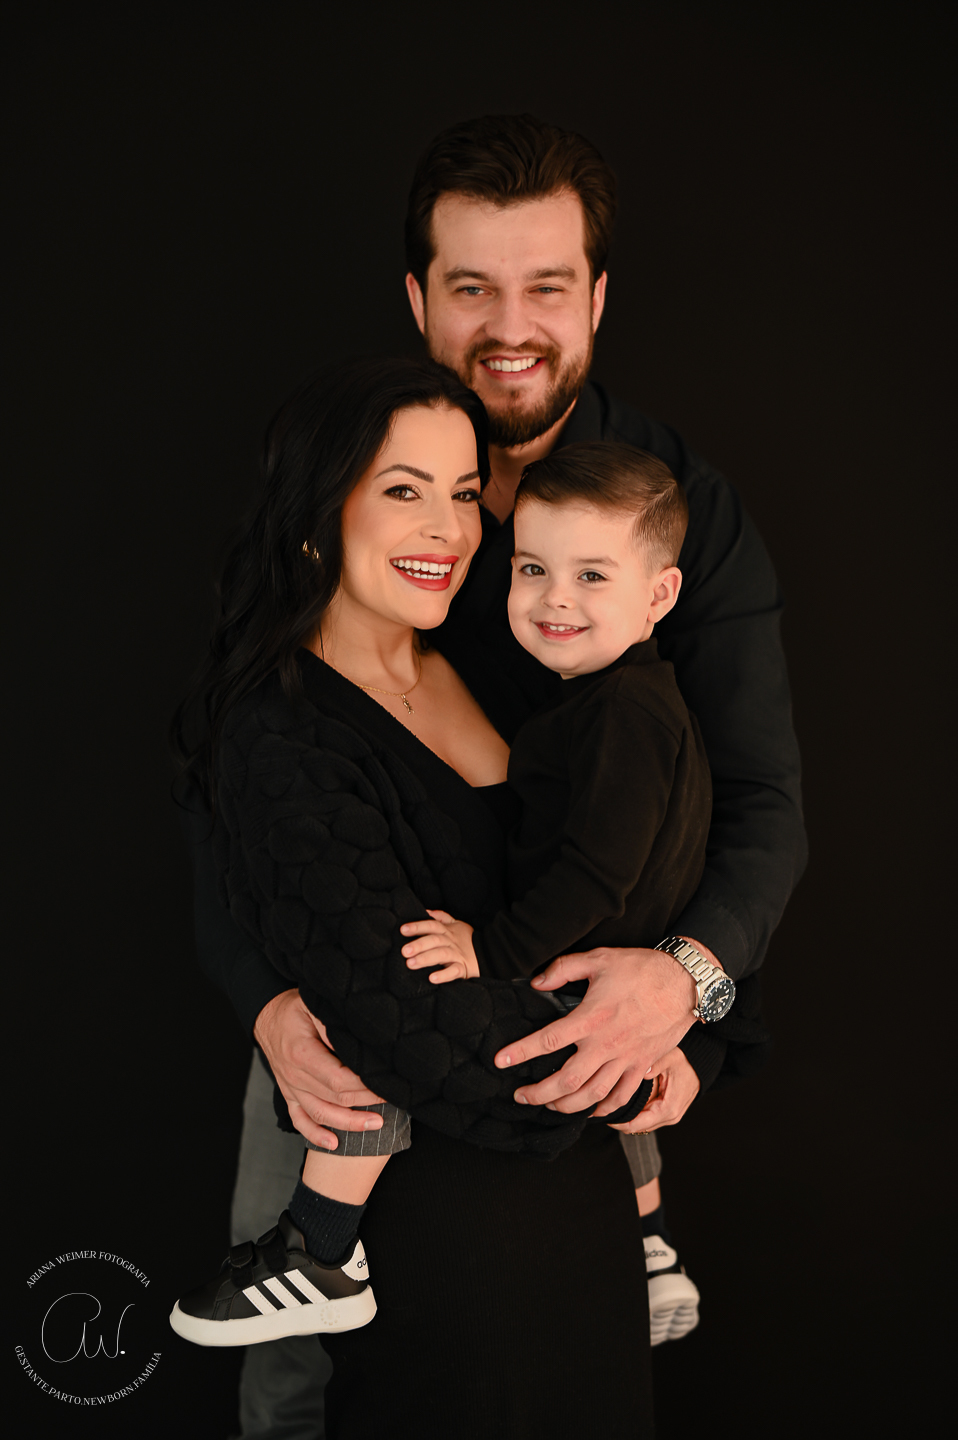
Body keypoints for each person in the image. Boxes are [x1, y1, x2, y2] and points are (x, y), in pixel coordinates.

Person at [185, 114, 804, 1435]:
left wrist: (683, 989)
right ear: (419, 299)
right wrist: (270, 1003)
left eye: (545, 288)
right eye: (471, 288)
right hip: (341, 999)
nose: (509, 328)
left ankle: (638, 1244)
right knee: (298, 1389)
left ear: (595, 298)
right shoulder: (361, 483)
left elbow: (759, 805)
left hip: (551, 1010)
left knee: (531, 1369)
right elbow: (230, 791)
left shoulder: (680, 508)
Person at [174, 356, 658, 1438]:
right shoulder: (283, 734)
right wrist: (607, 1072)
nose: (447, 527)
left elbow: (629, 868)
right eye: (403, 490)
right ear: (318, 514)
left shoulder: (506, 662)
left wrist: (674, 1012)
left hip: (579, 1207)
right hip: (437, 1230)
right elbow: (405, 1019)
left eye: (464, 492)